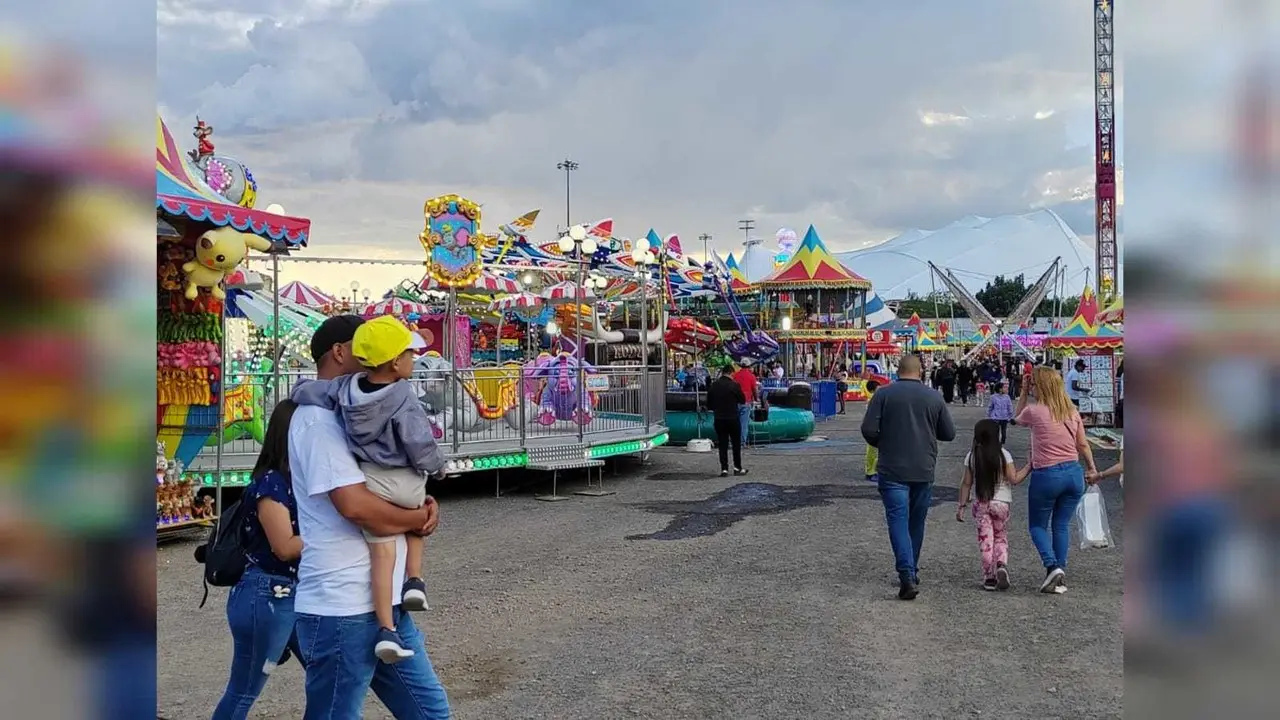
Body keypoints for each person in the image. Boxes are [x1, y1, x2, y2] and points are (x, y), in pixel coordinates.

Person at [289, 315, 451, 718]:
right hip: (341, 607)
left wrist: (420, 506)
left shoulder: (351, 405)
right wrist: (416, 519)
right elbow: (356, 507)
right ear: (342, 352)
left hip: (382, 605)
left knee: (430, 711)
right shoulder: (317, 420)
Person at [213, 401, 304, 720]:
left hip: (291, 595)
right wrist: (330, 536)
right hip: (267, 595)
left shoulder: (296, 480)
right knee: (242, 692)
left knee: (329, 676)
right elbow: (285, 547)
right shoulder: (272, 484)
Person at [860, 354, 956, 600]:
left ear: (897, 371)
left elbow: (868, 429)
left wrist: (884, 443)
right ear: (921, 371)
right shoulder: (933, 397)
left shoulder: (882, 394)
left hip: (892, 467)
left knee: (897, 519)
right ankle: (912, 568)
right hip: (924, 467)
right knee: (917, 521)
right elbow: (949, 433)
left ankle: (906, 573)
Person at [1015, 365, 1098, 594]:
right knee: (1061, 525)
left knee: (1036, 526)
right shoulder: (1071, 411)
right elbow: (1082, 444)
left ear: (1040, 386)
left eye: (1033, 385)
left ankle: (1051, 565)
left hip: (1047, 474)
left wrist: (1022, 392)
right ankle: (1059, 573)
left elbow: (1017, 418)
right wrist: (1091, 468)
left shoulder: (1035, 410)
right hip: (1073, 473)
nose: (1031, 388)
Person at [955, 419, 1027, 591]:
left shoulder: (972, 456)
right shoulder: (1004, 455)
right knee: (1001, 536)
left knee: (986, 541)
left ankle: (989, 578)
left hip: (981, 504)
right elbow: (1014, 479)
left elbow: (966, 483)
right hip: (1001, 504)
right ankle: (1001, 564)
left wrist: (961, 505)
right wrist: (1029, 466)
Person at [707, 365, 748, 477]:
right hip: (732, 418)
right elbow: (742, 400)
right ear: (731, 373)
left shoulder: (714, 386)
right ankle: (737, 468)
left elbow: (709, 404)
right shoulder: (734, 385)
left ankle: (724, 469)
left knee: (722, 444)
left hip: (719, 418)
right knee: (736, 444)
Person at [731, 361, 759, 444]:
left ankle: (733, 441)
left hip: (735, 401)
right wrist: (756, 399)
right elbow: (754, 389)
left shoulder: (735, 375)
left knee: (734, 422)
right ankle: (742, 442)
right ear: (749, 366)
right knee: (744, 423)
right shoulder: (751, 376)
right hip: (746, 401)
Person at [864, 384, 879, 482]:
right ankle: (871, 472)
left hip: (876, 428)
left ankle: (873, 471)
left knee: (874, 452)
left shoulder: (875, 400)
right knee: (872, 452)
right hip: (874, 429)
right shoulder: (873, 401)